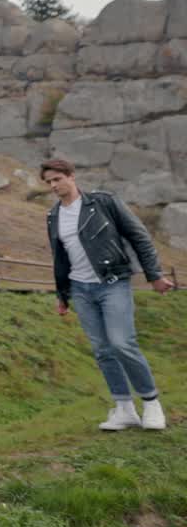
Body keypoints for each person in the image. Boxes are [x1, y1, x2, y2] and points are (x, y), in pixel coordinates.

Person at [40, 158, 174, 431]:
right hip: (80, 289)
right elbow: (60, 259)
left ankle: (151, 404)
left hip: (113, 282)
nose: (53, 185)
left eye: (57, 179)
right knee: (102, 350)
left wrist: (154, 275)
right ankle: (124, 408)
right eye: (48, 182)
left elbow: (139, 236)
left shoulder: (103, 203)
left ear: (71, 176)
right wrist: (62, 296)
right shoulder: (53, 216)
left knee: (122, 342)